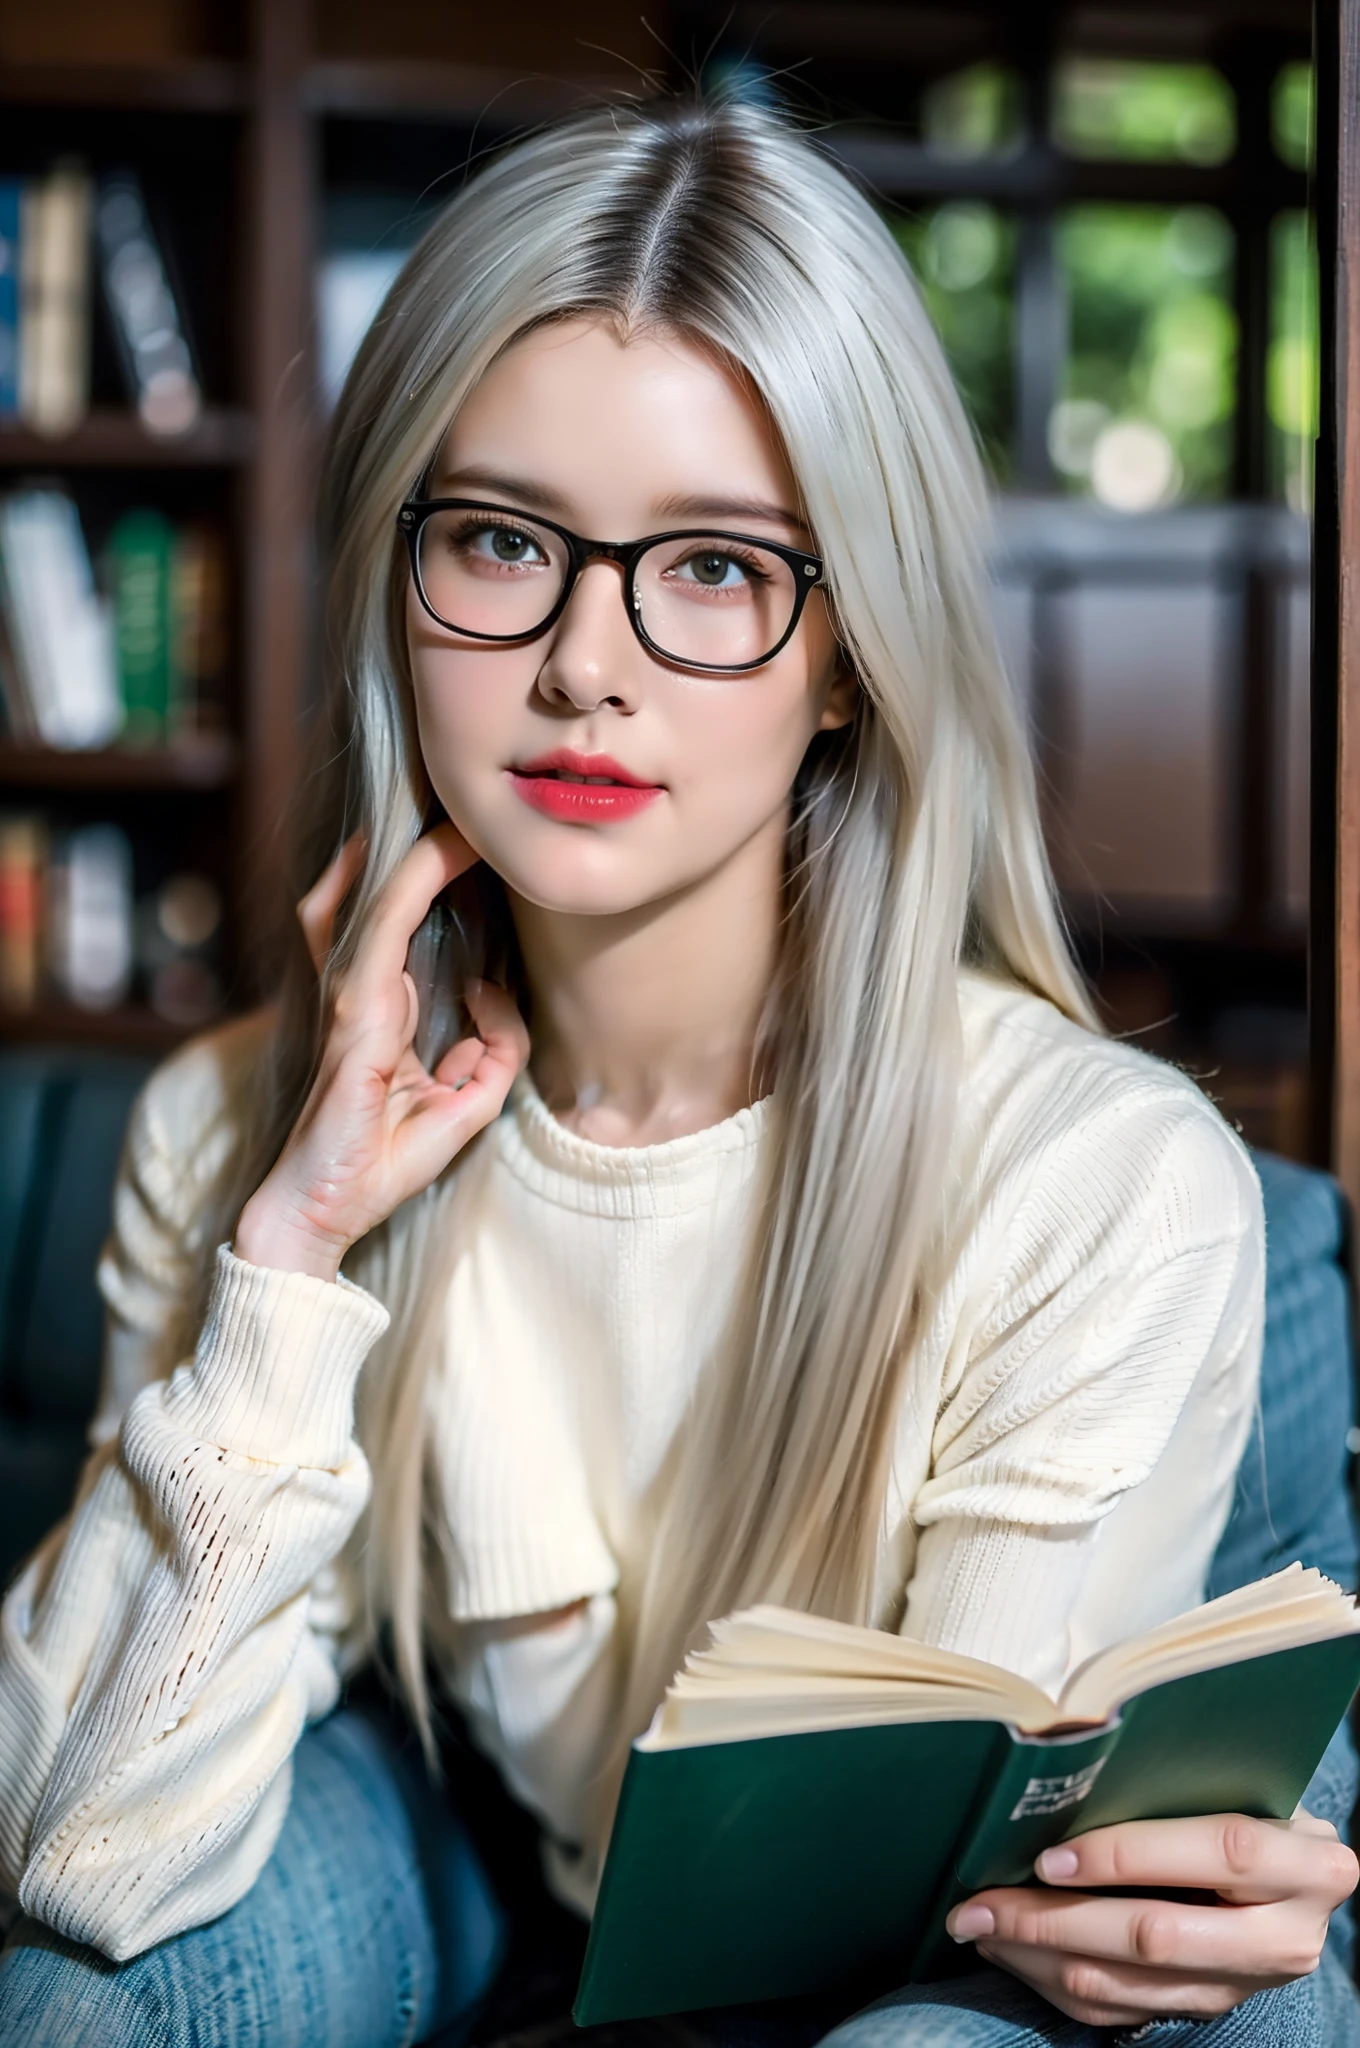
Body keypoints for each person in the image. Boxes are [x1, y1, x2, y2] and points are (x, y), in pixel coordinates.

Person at [0, 96, 1355, 2048]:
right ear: (396, 580)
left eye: (713, 567)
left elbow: (903, 1912)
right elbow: (84, 1863)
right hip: (466, 1849)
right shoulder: (226, 1125)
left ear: (847, 655)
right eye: (496, 537)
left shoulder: (1090, 1178)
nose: (578, 661)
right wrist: (290, 1258)